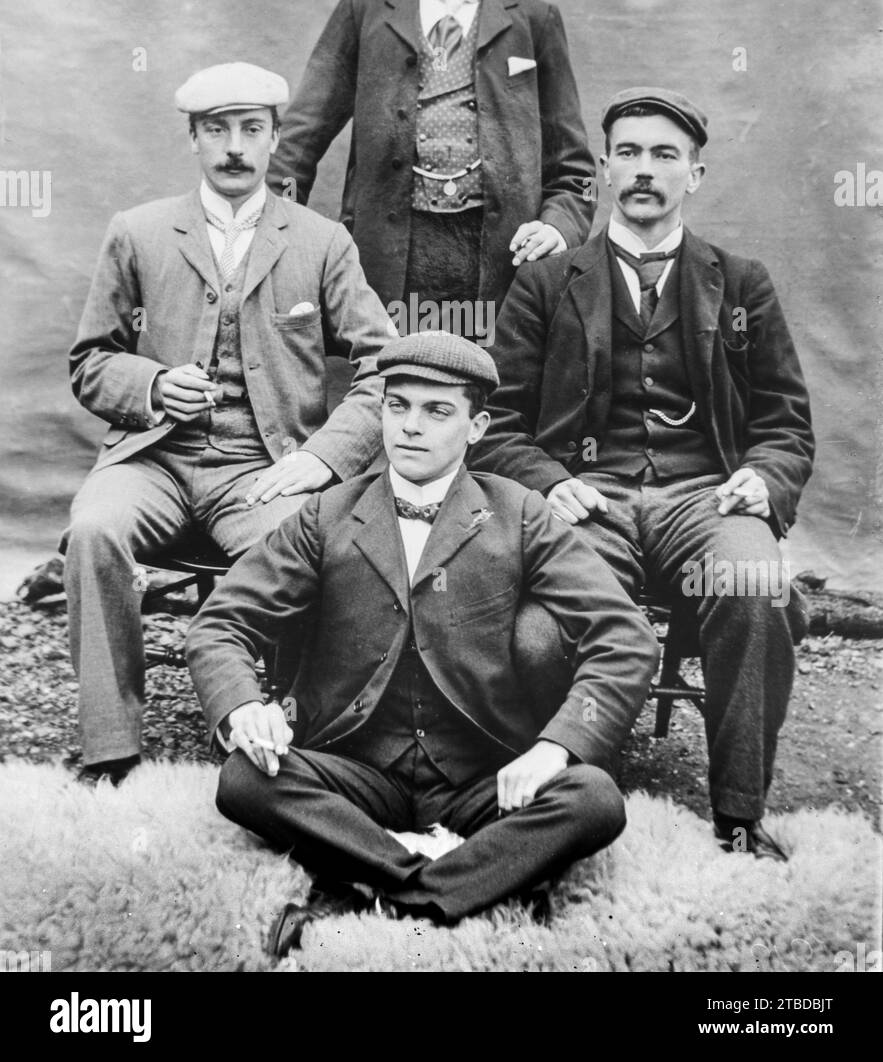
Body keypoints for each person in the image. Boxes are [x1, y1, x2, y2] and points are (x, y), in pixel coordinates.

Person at [186, 332, 658, 943]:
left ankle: (371, 885)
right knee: (243, 779)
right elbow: (222, 622)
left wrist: (554, 749)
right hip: (355, 772)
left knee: (592, 796)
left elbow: (625, 636)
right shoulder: (326, 514)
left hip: (477, 777)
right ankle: (452, 884)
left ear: (477, 427)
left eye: (438, 411)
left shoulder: (518, 512)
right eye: (397, 405)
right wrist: (245, 706)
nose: (410, 427)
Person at [471, 87, 815, 860]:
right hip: (590, 503)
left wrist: (762, 479)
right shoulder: (548, 283)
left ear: (693, 174)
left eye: (664, 155)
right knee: (536, 634)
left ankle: (737, 814)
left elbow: (785, 423)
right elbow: (494, 424)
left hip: (705, 498)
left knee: (755, 587)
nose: (643, 170)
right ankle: (577, 805)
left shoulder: (741, 282)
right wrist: (548, 479)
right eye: (627, 152)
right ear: (600, 169)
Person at [64, 62, 394, 784]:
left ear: (276, 138)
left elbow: (386, 369)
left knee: (306, 546)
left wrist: (326, 458)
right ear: (193, 140)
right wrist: (150, 384)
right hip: (153, 459)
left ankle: (277, 732)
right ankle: (110, 747)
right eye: (216, 131)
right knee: (94, 530)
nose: (234, 147)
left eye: (250, 129)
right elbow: (90, 360)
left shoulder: (320, 241)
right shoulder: (140, 232)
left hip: (262, 467)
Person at [267, 0, 595, 327]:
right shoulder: (365, 14)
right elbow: (295, 148)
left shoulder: (535, 22)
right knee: (392, 392)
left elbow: (575, 172)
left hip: (499, 264)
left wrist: (558, 227)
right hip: (387, 263)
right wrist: (280, 244)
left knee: (485, 396)